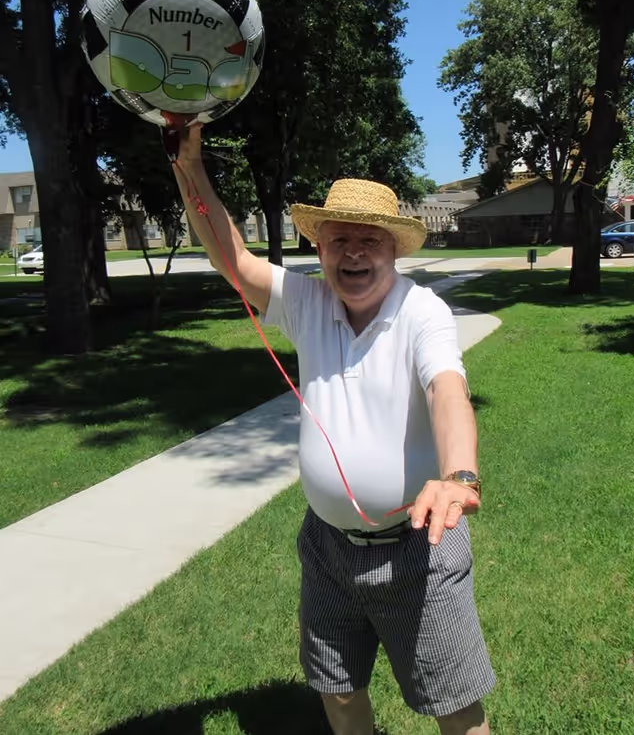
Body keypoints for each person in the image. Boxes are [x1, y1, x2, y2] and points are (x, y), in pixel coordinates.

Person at [171, 125, 495, 735]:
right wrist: (190, 167)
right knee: (338, 690)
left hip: (419, 549)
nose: (353, 253)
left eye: (369, 240)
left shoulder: (421, 312)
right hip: (326, 548)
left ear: (393, 251)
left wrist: (458, 475)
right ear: (318, 247)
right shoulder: (307, 302)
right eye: (338, 238)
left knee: (456, 707)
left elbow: (447, 390)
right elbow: (231, 257)